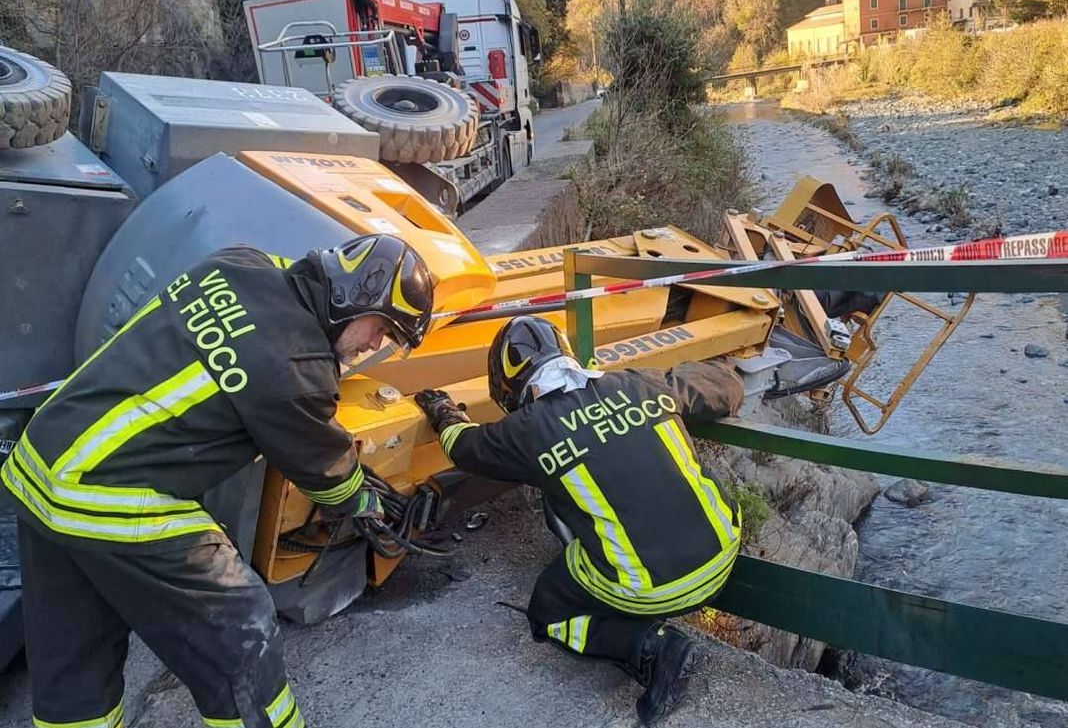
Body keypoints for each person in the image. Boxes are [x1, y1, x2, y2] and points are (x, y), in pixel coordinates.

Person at [1, 234, 433, 728]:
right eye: (383, 329)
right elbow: (324, 469)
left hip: (39, 461)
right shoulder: (297, 369)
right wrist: (366, 503)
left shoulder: (241, 262)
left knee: (74, 663)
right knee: (238, 627)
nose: (376, 345)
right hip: (103, 491)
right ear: (354, 297)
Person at [415, 316, 746, 726]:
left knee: (548, 613)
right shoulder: (640, 383)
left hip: (654, 589)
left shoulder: (526, 430)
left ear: (509, 386)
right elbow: (728, 387)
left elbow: (463, 446)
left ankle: (653, 648)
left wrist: (441, 409)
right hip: (724, 551)